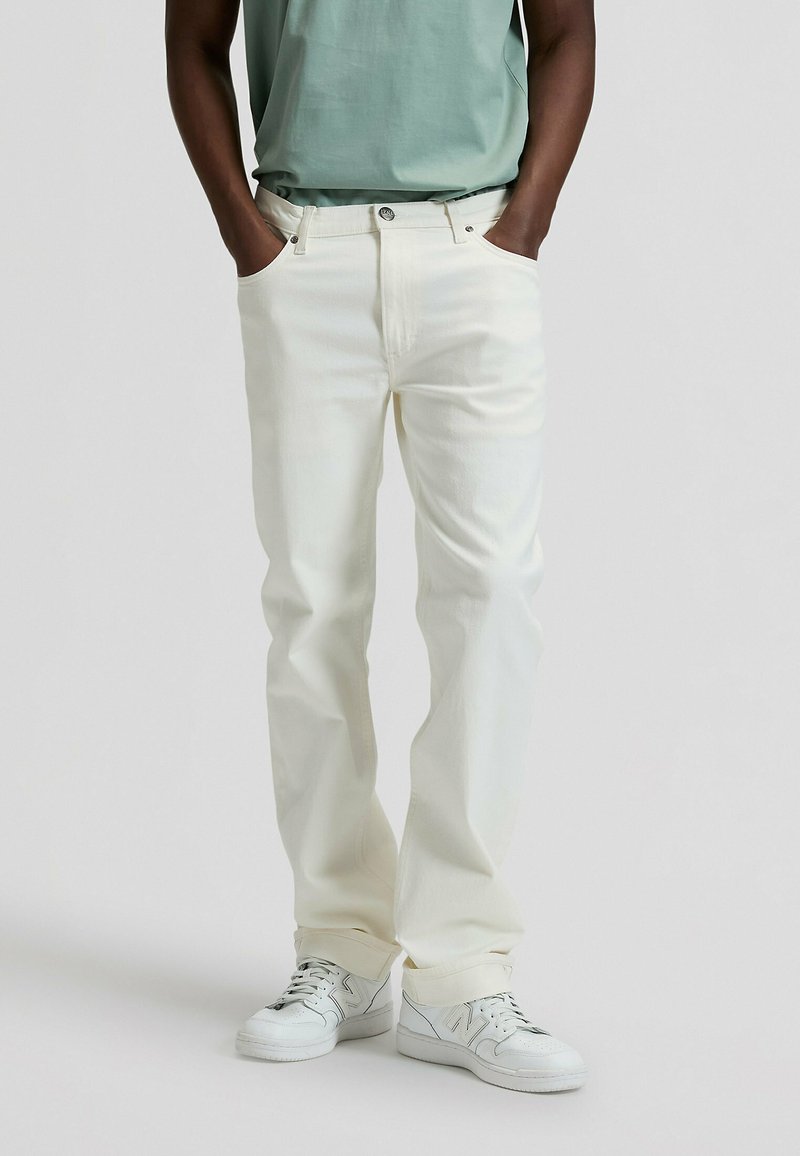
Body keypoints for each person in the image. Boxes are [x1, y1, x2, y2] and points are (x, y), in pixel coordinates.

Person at [165, 0, 595, 1093]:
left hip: (474, 249)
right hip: (303, 251)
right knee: (311, 607)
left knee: (492, 595)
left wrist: (523, 227)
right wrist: (250, 241)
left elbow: (564, 32)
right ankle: (343, 949)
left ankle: (460, 969)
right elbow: (192, 41)